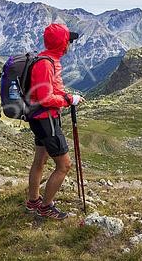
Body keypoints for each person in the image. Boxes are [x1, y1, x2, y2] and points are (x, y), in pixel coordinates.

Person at [24, 23, 84, 220]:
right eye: (69, 41)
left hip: (40, 118)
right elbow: (44, 97)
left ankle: (33, 201)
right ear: (62, 43)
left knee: (40, 160)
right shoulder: (45, 64)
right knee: (64, 165)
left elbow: (51, 89)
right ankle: (46, 206)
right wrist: (67, 100)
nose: (70, 45)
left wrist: (67, 95)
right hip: (45, 119)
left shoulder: (47, 59)